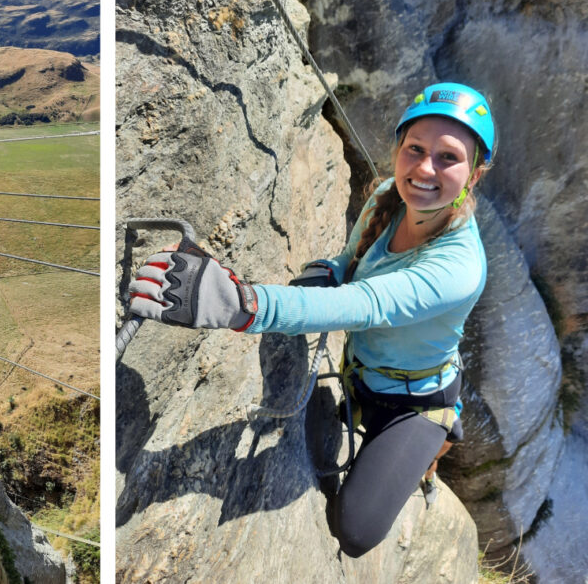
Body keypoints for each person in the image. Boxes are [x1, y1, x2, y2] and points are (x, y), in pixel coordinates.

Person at [128, 82, 494, 558]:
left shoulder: (460, 267)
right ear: (398, 149)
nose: (425, 168)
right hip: (364, 374)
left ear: (476, 173)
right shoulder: (388, 196)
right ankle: (415, 459)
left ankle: (431, 448)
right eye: (416, 149)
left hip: (415, 404)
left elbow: (366, 304)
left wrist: (244, 303)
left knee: (355, 532)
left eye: (448, 157)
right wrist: (330, 271)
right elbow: (354, 264)